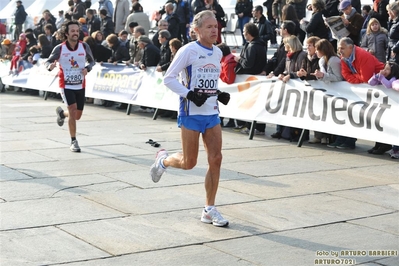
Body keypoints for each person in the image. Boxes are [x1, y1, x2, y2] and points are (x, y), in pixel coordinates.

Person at [152, 10, 231, 227]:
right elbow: (168, 79)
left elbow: (208, 80)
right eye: (209, 27)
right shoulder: (188, 51)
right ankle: (163, 160)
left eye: (216, 26)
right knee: (189, 162)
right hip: (190, 112)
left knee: (216, 159)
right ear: (196, 31)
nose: (214, 30)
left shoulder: (217, 53)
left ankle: (209, 209)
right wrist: (189, 94)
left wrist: (218, 93)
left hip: (211, 112)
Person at [45, 21, 95, 152]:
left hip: (80, 84)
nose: (75, 33)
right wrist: (50, 66)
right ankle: (74, 141)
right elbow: (48, 61)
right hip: (66, 84)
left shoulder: (84, 46)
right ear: (66, 33)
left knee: (77, 115)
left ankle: (62, 114)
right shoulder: (60, 48)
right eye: (72, 31)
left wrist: (87, 68)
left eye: (77, 31)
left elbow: (92, 61)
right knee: (73, 111)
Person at [327, 37, 384, 149]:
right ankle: (347, 140)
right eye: (339, 48)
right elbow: (346, 75)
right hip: (364, 89)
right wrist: (358, 78)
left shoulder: (363, 55)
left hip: (379, 87)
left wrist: (356, 78)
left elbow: (366, 78)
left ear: (350, 47)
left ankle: (383, 145)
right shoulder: (344, 58)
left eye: (342, 48)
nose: (340, 51)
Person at [234, 22, 267, 135]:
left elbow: (248, 64)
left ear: (248, 33)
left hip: (251, 79)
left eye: (244, 32)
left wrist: (239, 60)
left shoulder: (252, 46)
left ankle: (254, 127)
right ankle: (258, 127)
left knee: (251, 104)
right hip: (257, 78)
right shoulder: (260, 44)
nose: (243, 34)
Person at [309, 38, 343, 144]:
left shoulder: (334, 60)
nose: (316, 52)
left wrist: (323, 75)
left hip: (337, 91)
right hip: (328, 90)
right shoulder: (322, 60)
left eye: (318, 50)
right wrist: (319, 76)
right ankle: (324, 137)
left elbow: (339, 77)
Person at [367, 61, 399, 155]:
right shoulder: (382, 77)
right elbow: (370, 83)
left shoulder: (393, 79)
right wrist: (376, 76)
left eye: (388, 69)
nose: (385, 71)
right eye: (384, 68)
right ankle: (378, 144)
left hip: (390, 106)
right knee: (379, 125)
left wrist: (381, 77)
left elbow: (389, 85)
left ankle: (386, 145)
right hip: (381, 105)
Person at [217, 42, 237, 128]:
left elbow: (229, 79)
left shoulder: (228, 62)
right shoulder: (228, 59)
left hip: (230, 89)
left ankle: (228, 121)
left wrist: (219, 74)